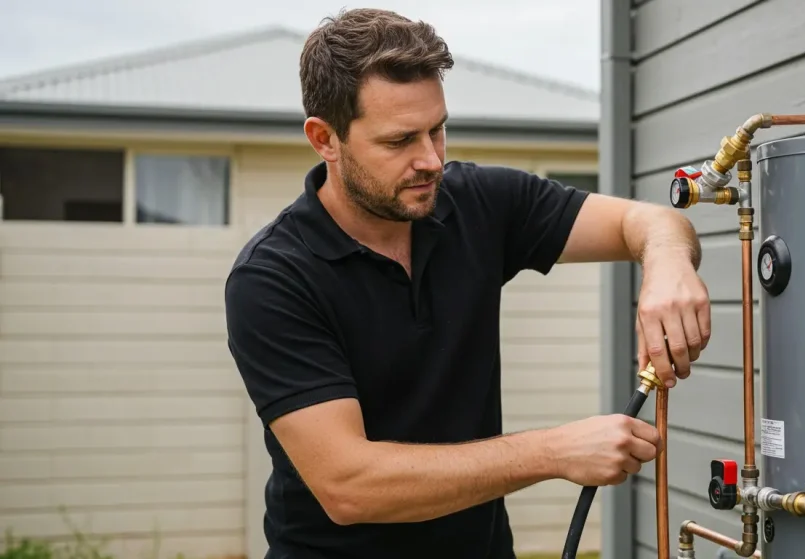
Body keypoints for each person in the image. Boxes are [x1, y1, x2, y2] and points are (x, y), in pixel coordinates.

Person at [224, 7, 711, 559]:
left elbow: (648, 221)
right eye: (400, 140)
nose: (430, 159)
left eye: (437, 129)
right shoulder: (273, 277)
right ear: (325, 139)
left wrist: (667, 266)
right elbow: (349, 485)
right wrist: (552, 452)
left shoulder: (479, 203)